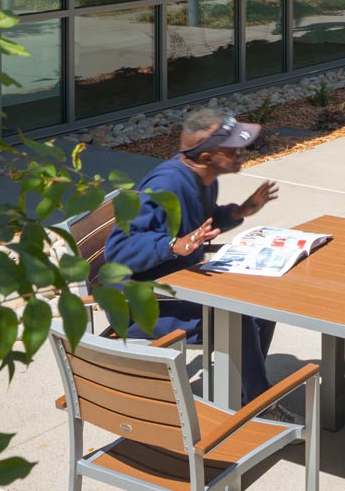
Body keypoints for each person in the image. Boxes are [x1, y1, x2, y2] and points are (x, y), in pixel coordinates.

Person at [104, 107, 287, 414]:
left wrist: (238, 212)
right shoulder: (167, 186)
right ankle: (259, 402)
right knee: (238, 315)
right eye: (232, 148)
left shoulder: (205, 178)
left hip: (179, 287)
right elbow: (118, 250)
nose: (242, 151)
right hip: (145, 306)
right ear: (206, 157)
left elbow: (201, 224)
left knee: (263, 304)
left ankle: (248, 390)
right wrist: (173, 246)